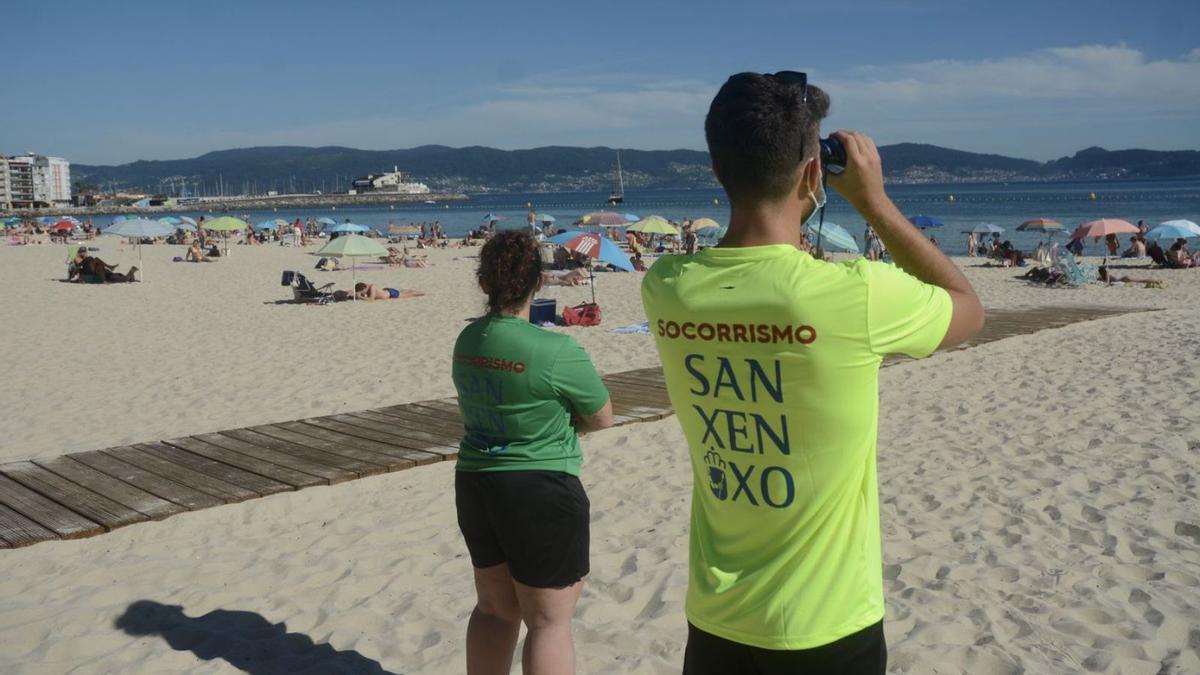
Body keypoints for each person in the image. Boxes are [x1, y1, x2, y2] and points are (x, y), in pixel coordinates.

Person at [641, 72, 983, 675]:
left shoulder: (667, 288)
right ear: (812, 174)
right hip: (827, 624)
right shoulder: (853, 296)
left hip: (718, 620)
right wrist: (873, 201)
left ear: (718, 171)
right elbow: (967, 308)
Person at [452, 230, 613, 675]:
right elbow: (602, 417)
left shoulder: (468, 342)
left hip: (477, 481)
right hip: (540, 486)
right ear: (537, 283)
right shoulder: (556, 349)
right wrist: (564, 424)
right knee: (548, 623)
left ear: (484, 283)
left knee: (493, 609)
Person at [352, 282, 424, 301]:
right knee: (403, 292)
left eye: (362, 292)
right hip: (387, 292)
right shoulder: (366, 288)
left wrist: (361, 297)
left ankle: (421, 293)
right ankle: (409, 290)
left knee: (408, 295)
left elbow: (371, 299)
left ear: (364, 289)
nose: (363, 293)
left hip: (391, 294)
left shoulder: (372, 287)